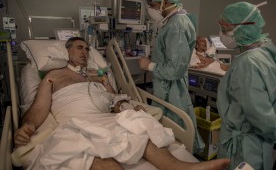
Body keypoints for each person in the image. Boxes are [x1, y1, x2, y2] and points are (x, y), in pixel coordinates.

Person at [14, 37, 231, 170]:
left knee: (141, 133)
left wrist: (122, 104)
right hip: (75, 123)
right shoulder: (54, 75)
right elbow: (39, 109)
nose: (86, 52)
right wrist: (29, 126)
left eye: (88, 49)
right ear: (67, 51)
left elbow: (115, 98)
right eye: (80, 48)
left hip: (106, 119)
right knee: (100, 162)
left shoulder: (97, 75)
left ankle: (182, 167)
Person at [216, 1, 276, 170]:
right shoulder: (263, 51)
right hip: (255, 142)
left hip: (245, 150)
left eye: (225, 28)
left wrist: (275, 130)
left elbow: (258, 113)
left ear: (242, 28)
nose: (222, 33)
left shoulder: (247, 64)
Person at [138, 0, 204, 154]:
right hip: (165, 84)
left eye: (152, 6)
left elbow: (175, 70)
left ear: (165, 3)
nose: (151, 10)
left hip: (173, 87)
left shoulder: (178, 25)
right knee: (167, 128)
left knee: (177, 129)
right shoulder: (171, 22)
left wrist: (149, 65)